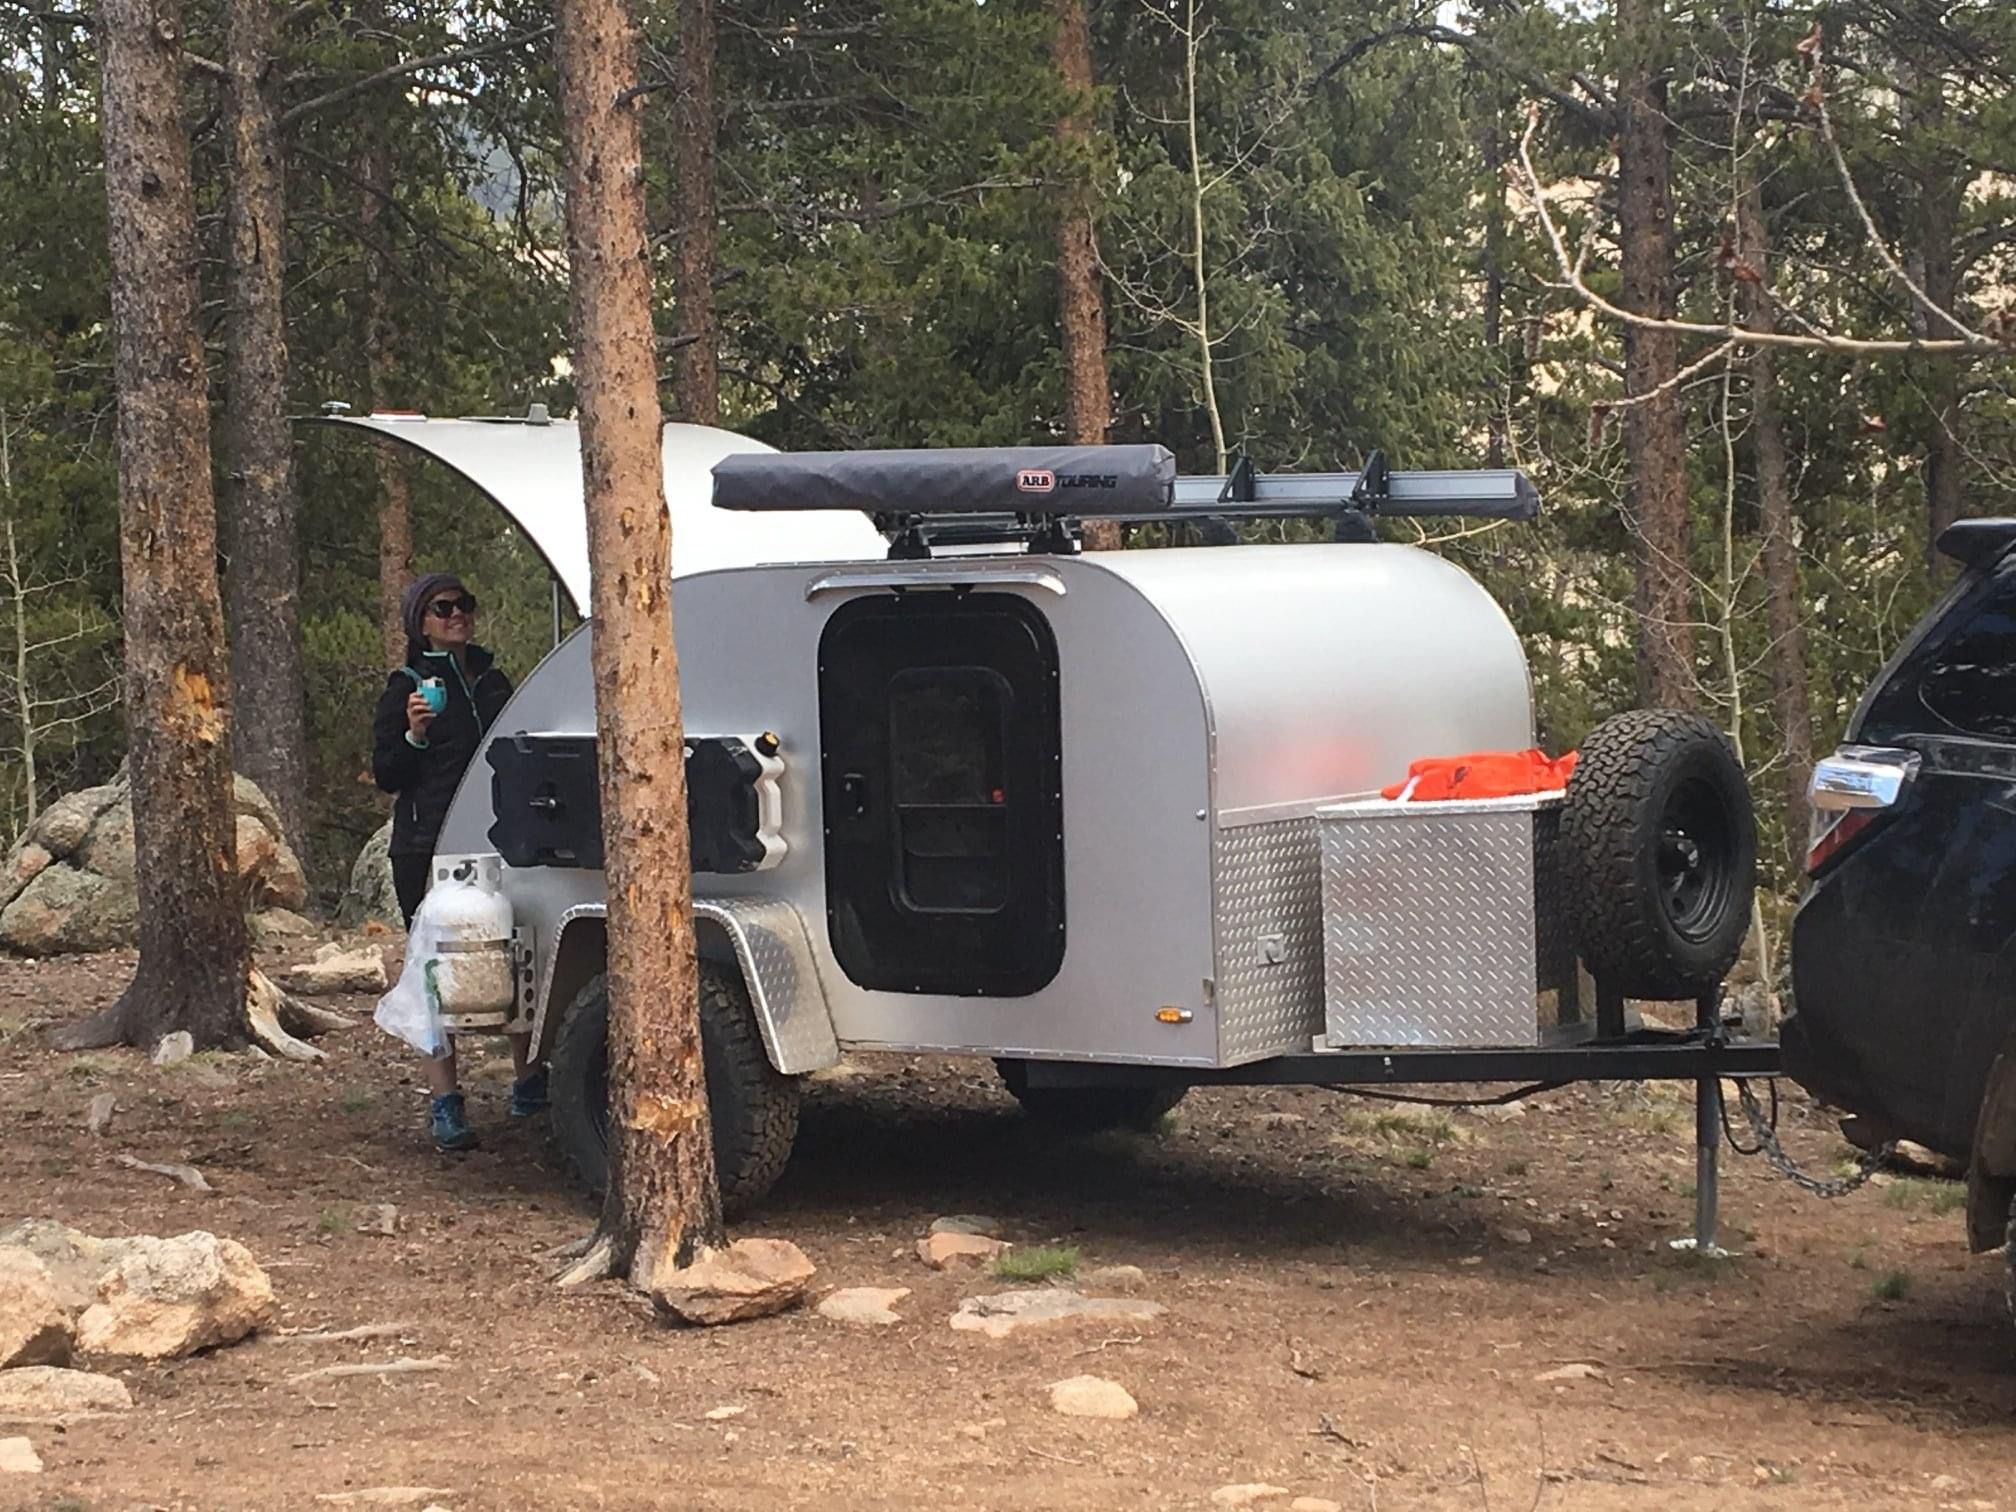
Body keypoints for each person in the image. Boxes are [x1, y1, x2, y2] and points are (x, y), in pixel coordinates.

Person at [371, 571, 539, 1151]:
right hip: (426, 845)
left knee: (518, 956)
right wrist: (415, 734)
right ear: (420, 622)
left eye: (464, 605)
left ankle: (527, 1084)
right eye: (443, 608)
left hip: (497, 840)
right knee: (434, 969)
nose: (457, 615)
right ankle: (446, 1102)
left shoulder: (493, 681)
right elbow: (387, 773)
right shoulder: (407, 686)